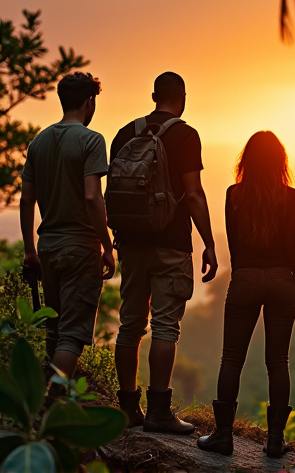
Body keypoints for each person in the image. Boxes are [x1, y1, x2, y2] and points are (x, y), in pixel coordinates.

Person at [111, 71, 218, 434]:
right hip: (170, 243)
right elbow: (192, 193)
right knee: (165, 326)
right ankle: (158, 411)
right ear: (182, 97)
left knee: (129, 325)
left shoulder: (126, 133)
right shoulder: (186, 135)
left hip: (131, 243)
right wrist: (210, 242)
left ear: (154, 95)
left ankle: (127, 407)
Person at [197, 131, 295, 458]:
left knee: (232, 359)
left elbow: (234, 244)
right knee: (278, 361)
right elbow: (291, 245)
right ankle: (275, 440)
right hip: (281, 281)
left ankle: (223, 435)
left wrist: (244, 275)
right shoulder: (291, 197)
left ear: (246, 161)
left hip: (244, 278)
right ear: (280, 162)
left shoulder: (234, 194)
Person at [20, 72, 115, 382]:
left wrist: (30, 251)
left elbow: (26, 201)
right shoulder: (91, 140)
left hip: (47, 247)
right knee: (72, 336)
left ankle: (44, 408)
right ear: (89, 102)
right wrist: (107, 245)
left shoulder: (39, 142)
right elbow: (92, 197)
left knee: (55, 327)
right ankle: (54, 402)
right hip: (80, 248)